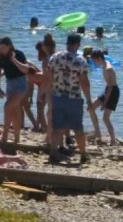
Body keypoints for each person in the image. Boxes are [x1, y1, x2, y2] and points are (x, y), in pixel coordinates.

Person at [45, 32, 93, 165]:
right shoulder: (81, 60)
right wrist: (89, 99)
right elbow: (84, 82)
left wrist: (47, 95)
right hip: (74, 98)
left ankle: (54, 152)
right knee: (78, 128)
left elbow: (48, 77)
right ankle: (83, 154)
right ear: (78, 44)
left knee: (57, 127)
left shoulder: (55, 57)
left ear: (67, 43)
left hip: (58, 96)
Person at [0, 36, 33, 145]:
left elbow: (26, 70)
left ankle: (5, 136)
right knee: (15, 111)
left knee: (7, 106)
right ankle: (17, 139)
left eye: (3, 48)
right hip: (10, 84)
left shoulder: (19, 54)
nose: (1, 50)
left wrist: (14, 60)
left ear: (9, 46)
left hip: (21, 84)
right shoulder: (1, 58)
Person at [90, 48, 120, 146]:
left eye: (94, 60)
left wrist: (105, 104)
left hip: (113, 92)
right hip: (108, 89)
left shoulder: (108, 69)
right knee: (91, 107)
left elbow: (111, 88)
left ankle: (113, 141)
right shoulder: (104, 62)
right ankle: (97, 132)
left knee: (105, 118)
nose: (94, 62)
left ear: (98, 58)